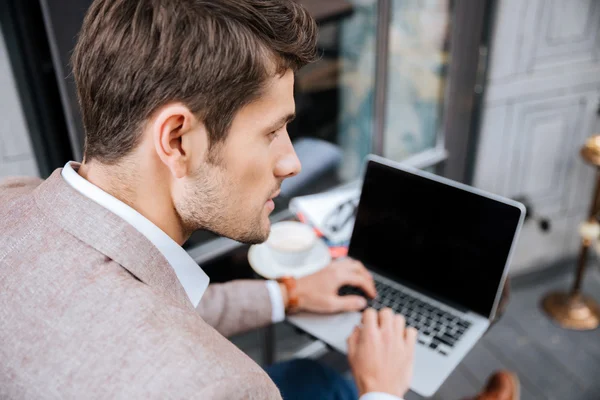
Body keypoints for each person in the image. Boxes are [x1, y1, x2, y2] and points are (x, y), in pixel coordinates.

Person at [0, 1, 519, 399]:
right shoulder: (222, 385)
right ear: (178, 140)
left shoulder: (14, 200)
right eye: (273, 131)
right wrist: (382, 389)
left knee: (311, 378)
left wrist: (289, 294)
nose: (291, 162)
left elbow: (163, 301)